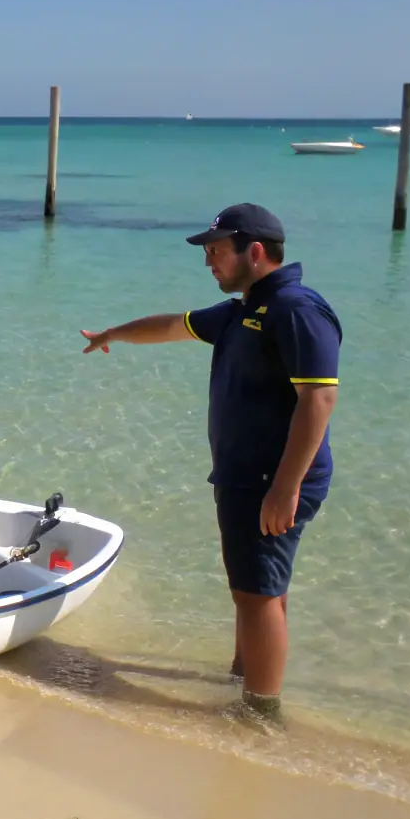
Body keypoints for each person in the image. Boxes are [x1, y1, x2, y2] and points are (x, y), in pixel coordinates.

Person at [80, 204, 341, 723]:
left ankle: (260, 716)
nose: (209, 262)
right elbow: (173, 326)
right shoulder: (245, 309)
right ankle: (244, 684)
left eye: (217, 251)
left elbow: (318, 400)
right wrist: (113, 333)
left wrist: (285, 488)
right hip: (249, 477)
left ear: (257, 251)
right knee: (258, 590)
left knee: (256, 593)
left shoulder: (295, 309)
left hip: (271, 479)